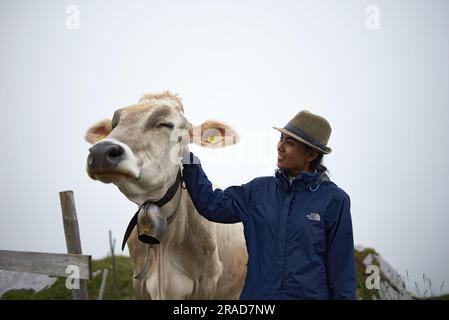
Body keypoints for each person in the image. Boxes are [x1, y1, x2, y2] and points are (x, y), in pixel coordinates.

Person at [181, 110, 355, 300]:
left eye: (289, 143)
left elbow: (342, 276)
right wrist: (189, 160)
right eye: (281, 139)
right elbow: (211, 204)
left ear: (311, 154)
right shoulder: (257, 191)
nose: (279, 146)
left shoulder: (334, 201)